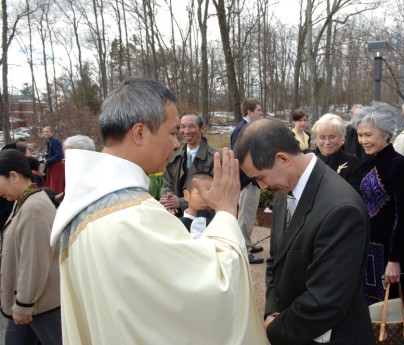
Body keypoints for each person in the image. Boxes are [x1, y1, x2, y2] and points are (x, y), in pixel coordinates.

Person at [50, 77, 265, 345]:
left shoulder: (82, 205)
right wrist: (225, 212)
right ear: (139, 133)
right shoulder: (135, 216)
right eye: (172, 131)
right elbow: (214, 287)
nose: (176, 143)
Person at [235, 118, 375, 345]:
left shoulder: (341, 210)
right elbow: (276, 262)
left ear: (283, 159)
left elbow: (326, 300)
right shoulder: (285, 188)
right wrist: (272, 310)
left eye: (260, 177)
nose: (261, 187)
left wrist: (277, 329)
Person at [354, 103, 404, 319]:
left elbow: (403, 216)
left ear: (385, 133)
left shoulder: (399, 166)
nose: (363, 140)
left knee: (394, 318)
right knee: (370, 315)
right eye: (360, 135)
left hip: (393, 255)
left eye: (368, 135)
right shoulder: (366, 163)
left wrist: (395, 259)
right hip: (369, 251)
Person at [0, 149, 61, 345]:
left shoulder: (33, 208)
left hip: (38, 306)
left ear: (13, 176)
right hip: (33, 304)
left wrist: (23, 304)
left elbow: (33, 262)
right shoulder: (26, 202)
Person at [160, 112, 215, 215]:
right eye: (182, 127)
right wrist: (168, 201)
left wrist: (180, 202)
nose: (186, 131)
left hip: (202, 218)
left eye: (191, 127)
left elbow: (214, 192)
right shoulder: (174, 154)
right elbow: (167, 182)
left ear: (201, 129)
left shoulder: (214, 158)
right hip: (175, 215)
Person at [230, 97, 265, 264]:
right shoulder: (242, 130)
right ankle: (244, 250)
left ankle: (248, 244)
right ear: (249, 111)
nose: (261, 113)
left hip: (251, 180)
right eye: (258, 110)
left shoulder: (247, 128)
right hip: (247, 181)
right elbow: (239, 158)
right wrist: (251, 178)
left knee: (249, 216)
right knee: (245, 218)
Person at [312, 113, 362, 191]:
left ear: (342, 137)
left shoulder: (353, 163)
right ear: (316, 139)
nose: (327, 142)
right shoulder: (307, 160)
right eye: (322, 137)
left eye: (332, 137)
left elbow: (354, 195)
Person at [179, 172, 214, 239]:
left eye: (210, 194)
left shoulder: (217, 223)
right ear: (186, 195)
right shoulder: (177, 225)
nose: (206, 198)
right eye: (200, 193)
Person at [42, 126, 66, 194]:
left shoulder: (55, 141)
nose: (46, 133)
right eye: (44, 132)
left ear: (52, 133)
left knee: (57, 186)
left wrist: (48, 160)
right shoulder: (48, 141)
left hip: (57, 167)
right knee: (52, 186)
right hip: (52, 167)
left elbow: (59, 154)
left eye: (47, 131)